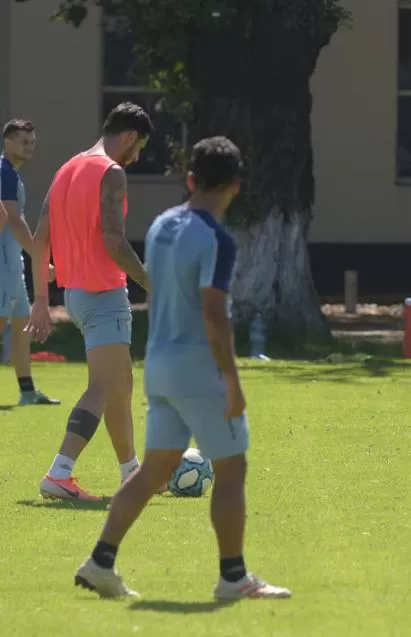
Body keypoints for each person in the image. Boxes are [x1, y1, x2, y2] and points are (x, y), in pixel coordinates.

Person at [73, 136, 291, 600]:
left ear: (189, 179)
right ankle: (233, 578)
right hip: (197, 371)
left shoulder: (159, 228)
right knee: (232, 471)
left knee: (152, 472)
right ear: (235, 186)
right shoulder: (217, 239)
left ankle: (99, 563)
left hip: (160, 365)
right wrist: (231, 381)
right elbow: (214, 315)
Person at [26, 102, 153, 501]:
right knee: (103, 386)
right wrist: (154, 283)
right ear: (130, 136)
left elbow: (39, 238)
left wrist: (42, 300)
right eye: (141, 147)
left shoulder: (67, 169)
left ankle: (131, 473)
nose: (138, 157)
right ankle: (60, 473)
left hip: (76, 295)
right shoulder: (111, 172)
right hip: (103, 294)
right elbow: (114, 242)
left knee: (122, 385)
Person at [0, 119, 58, 405]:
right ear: (7, 142)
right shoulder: (4, 173)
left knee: (22, 325)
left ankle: (27, 391)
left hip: (14, 264)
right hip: (3, 265)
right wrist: (39, 256)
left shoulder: (11, 173)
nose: (29, 146)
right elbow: (13, 220)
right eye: (24, 141)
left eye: (32, 142)